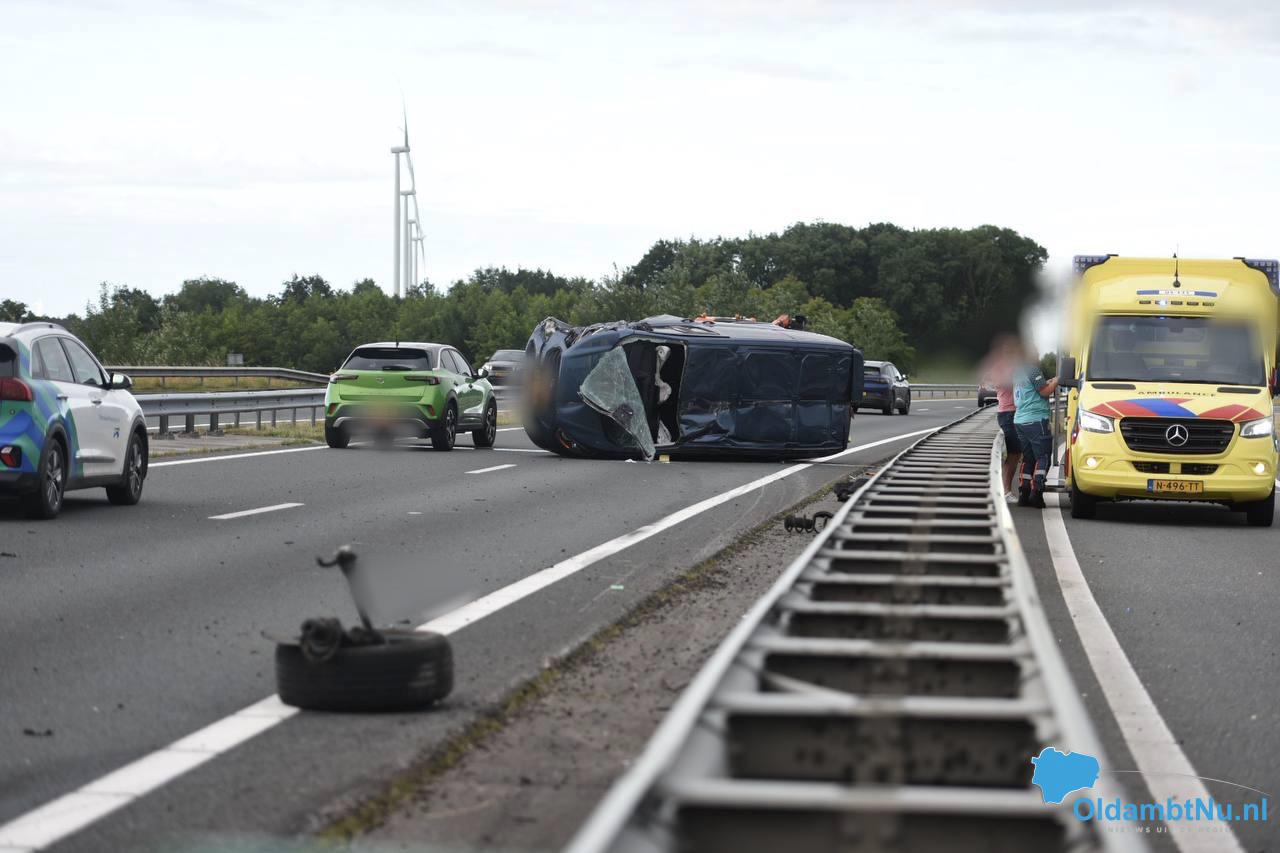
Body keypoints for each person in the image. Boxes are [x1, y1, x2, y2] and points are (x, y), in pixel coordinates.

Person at [1013, 350, 1059, 509]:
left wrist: (1048, 382)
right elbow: (1045, 391)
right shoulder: (1032, 369)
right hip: (1036, 420)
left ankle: (1023, 493)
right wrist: (1056, 381)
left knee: (1028, 458)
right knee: (1043, 457)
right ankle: (1036, 493)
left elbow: (1032, 389)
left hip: (1020, 420)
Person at [981, 335, 1022, 501]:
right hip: (1008, 412)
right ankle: (1005, 491)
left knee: (1015, 453)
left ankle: (1005, 490)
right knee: (1013, 453)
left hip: (1015, 412)